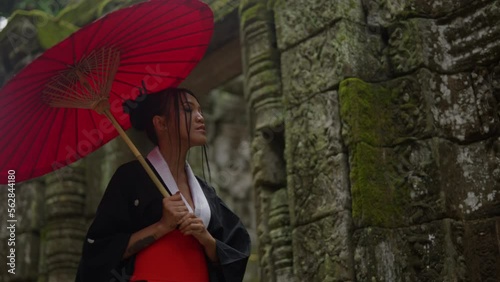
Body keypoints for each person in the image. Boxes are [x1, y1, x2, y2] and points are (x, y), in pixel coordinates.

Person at [75, 88, 251, 282]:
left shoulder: (205, 191)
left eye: (200, 110)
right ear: (161, 123)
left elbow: (236, 250)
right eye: (187, 110)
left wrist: (205, 238)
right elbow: (98, 252)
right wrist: (161, 226)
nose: (200, 117)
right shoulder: (130, 178)